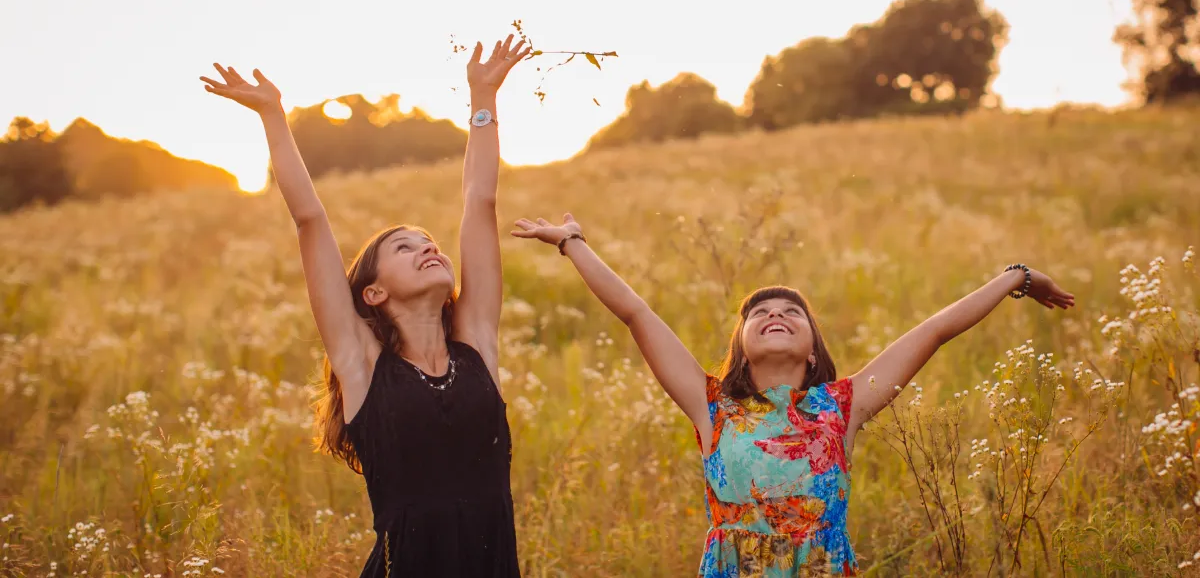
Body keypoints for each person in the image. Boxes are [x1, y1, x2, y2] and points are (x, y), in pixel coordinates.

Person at [511, 213, 1075, 577]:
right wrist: (572, 242)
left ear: (812, 351)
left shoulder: (843, 405)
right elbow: (636, 313)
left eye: (791, 313)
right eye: (760, 313)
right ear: (741, 346)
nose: (775, 315)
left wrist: (1014, 278)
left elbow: (932, 331)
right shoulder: (711, 405)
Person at [200, 35, 531, 577]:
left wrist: (483, 100)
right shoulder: (361, 362)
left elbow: (480, 200)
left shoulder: (475, 342)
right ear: (372, 293)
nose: (430, 246)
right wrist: (273, 115)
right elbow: (310, 218)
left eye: (430, 241)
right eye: (406, 246)